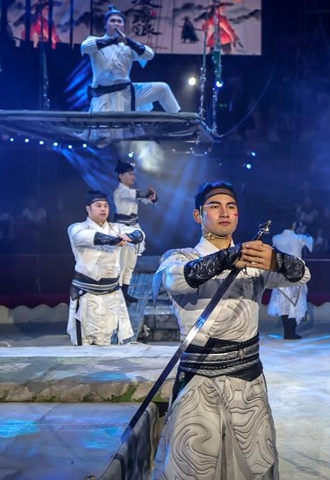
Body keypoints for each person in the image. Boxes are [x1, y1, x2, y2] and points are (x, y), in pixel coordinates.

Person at [153, 181, 310, 479]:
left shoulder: (255, 259)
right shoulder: (179, 256)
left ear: (238, 216)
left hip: (248, 381)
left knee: (253, 465)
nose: (224, 212)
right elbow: (176, 281)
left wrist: (277, 260)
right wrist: (228, 257)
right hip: (198, 380)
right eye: (214, 206)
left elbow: (302, 274)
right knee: (192, 466)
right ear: (198, 216)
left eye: (231, 207)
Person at [67, 190, 144, 346]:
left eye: (106, 206)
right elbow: (82, 237)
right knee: (85, 341)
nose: (103, 209)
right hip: (87, 294)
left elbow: (139, 233)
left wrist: (131, 237)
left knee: (106, 338)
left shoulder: (116, 227)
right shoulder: (77, 228)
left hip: (111, 294)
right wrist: (115, 241)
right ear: (88, 209)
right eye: (98, 205)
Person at [81, 5, 180, 113]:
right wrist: (113, 40)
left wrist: (129, 41)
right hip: (105, 96)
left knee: (162, 88)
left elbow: (149, 54)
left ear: (123, 26)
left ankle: (183, 122)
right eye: (112, 21)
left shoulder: (128, 47)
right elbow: (85, 47)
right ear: (105, 25)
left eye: (119, 21)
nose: (116, 23)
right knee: (114, 129)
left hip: (128, 92)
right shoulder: (95, 42)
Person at [113, 159, 157, 303]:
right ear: (120, 175)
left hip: (134, 228)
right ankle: (118, 292)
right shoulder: (119, 191)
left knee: (131, 262)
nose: (133, 177)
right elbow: (137, 195)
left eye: (133, 174)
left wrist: (153, 198)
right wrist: (147, 193)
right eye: (129, 174)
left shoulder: (133, 192)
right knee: (122, 262)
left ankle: (125, 292)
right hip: (122, 229)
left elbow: (149, 203)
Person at [267, 222, 314, 339]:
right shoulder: (299, 238)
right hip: (295, 273)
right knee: (294, 302)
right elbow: (311, 245)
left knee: (283, 303)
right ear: (293, 225)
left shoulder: (276, 238)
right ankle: (291, 332)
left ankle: (287, 332)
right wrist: (304, 232)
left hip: (280, 274)